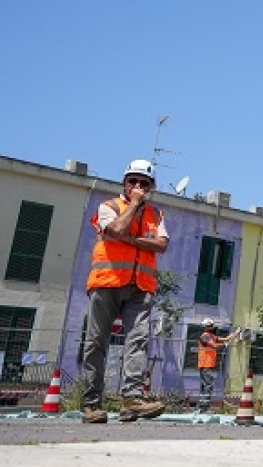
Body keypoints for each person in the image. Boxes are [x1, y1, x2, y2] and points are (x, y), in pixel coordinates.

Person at [80, 159, 170, 423]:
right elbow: (116, 228)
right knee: (97, 341)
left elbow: (162, 244)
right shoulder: (108, 206)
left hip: (140, 286)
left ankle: (132, 399)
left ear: (151, 186)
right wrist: (133, 205)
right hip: (107, 281)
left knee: (137, 341)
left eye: (143, 183)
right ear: (124, 183)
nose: (137, 186)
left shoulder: (156, 215)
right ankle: (91, 404)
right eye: (133, 181)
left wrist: (131, 240)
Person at [197, 318, 235, 411]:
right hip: (205, 364)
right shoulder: (205, 336)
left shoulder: (211, 336)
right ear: (207, 327)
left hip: (208, 364)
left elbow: (225, 339)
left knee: (206, 385)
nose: (212, 327)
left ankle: (203, 405)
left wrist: (232, 335)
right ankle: (204, 406)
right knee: (207, 385)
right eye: (210, 326)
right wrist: (224, 345)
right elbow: (214, 345)